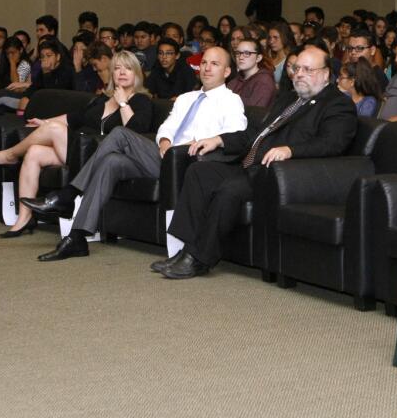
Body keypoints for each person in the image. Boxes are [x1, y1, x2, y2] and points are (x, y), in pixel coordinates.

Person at [151, 45, 357, 279]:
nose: (299, 74)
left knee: (228, 190)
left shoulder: (337, 104)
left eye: (308, 69)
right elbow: (256, 133)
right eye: (297, 68)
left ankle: (199, 259)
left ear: (325, 73)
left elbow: (332, 144)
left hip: (279, 175)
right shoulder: (288, 98)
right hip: (249, 165)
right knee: (200, 171)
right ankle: (184, 249)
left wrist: (291, 150)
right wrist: (219, 140)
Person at [28, 47, 248, 260]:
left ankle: (68, 194)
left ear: (227, 72)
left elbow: (235, 135)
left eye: (215, 64)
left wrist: (204, 141)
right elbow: (167, 127)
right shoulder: (185, 98)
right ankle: (77, 237)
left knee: (120, 134)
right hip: (163, 156)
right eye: (204, 63)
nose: (207, 68)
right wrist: (164, 141)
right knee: (111, 161)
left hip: (189, 162)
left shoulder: (231, 101)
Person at [0, 51, 155, 237]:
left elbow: (134, 132)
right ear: (112, 74)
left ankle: (10, 155)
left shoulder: (141, 100)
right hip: (79, 151)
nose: (122, 72)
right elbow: (73, 118)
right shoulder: (102, 99)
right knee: (35, 151)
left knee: (54, 130)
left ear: (137, 74)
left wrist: (123, 103)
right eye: (117, 68)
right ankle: (24, 219)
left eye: (128, 68)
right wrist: (44, 122)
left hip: (100, 158)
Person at [227, 36, 276, 109]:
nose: (240, 57)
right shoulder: (234, 81)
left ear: (258, 58)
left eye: (247, 53)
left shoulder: (264, 81)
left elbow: (254, 114)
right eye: (238, 53)